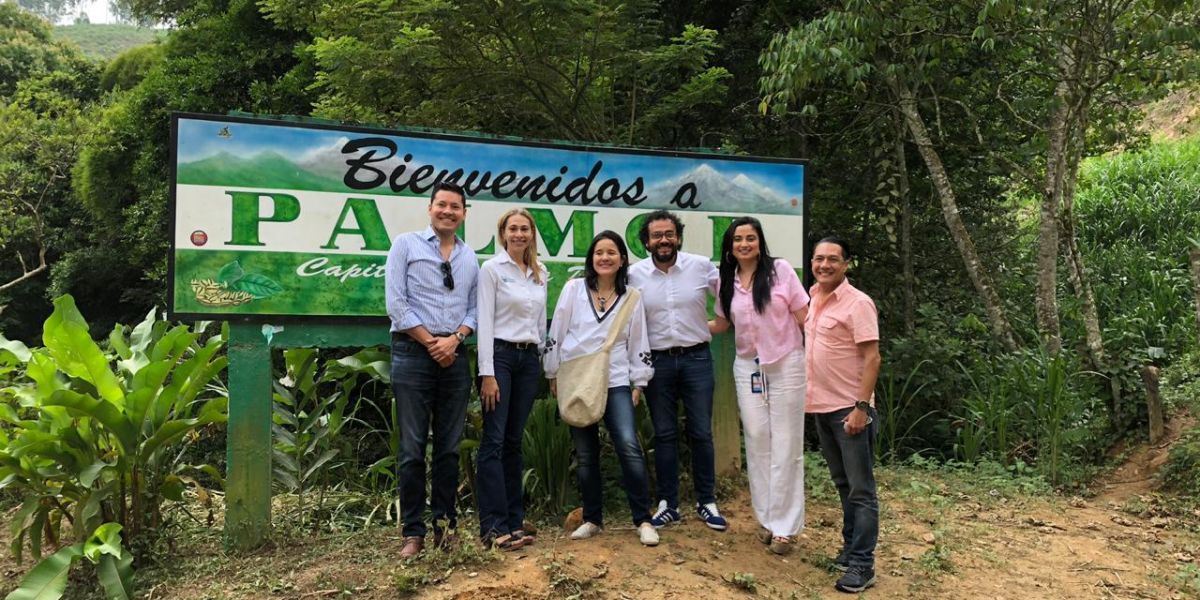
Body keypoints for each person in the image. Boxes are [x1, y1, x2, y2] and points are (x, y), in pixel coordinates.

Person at [544, 230, 659, 546]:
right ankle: (593, 518)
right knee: (585, 454)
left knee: (628, 445)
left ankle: (643, 519)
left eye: (612, 252)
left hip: (617, 380)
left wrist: (640, 381)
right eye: (599, 252)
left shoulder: (631, 297)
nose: (604, 258)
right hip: (577, 379)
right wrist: (553, 373)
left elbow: (639, 341)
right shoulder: (573, 290)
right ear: (591, 258)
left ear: (622, 259)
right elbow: (558, 331)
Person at [385, 181, 479, 559]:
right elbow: (396, 304)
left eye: (455, 207)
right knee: (411, 449)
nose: (448, 211)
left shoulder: (470, 256)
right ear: (430, 208)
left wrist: (454, 340)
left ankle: (445, 527)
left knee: (448, 449)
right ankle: (413, 532)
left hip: (454, 356)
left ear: (463, 213)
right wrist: (431, 343)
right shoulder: (404, 245)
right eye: (442, 205)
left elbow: (474, 310)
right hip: (412, 353)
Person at [709, 216, 809, 556]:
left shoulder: (780, 270)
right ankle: (766, 519)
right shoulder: (726, 280)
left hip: (786, 363)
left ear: (759, 241)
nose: (744, 244)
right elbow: (722, 323)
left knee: (786, 442)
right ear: (730, 245)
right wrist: (676, 325)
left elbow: (804, 315)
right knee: (756, 439)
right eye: (738, 239)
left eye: (750, 238)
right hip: (748, 367)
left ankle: (786, 528)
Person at [628, 210, 727, 531]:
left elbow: (730, 303)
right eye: (656, 235)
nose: (664, 240)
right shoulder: (634, 275)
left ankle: (706, 500)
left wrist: (708, 326)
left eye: (669, 234)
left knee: (700, 432)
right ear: (646, 241)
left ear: (678, 237)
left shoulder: (701, 267)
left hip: (697, 359)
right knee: (665, 434)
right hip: (656, 363)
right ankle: (668, 504)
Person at [804, 236, 881, 594]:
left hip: (849, 410)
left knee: (862, 490)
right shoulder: (814, 296)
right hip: (821, 406)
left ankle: (862, 565)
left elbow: (872, 358)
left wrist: (861, 408)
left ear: (846, 263)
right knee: (843, 484)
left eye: (833, 259)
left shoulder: (858, 303)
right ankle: (850, 549)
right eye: (819, 259)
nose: (824, 265)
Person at [475, 208, 548, 551]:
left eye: (525, 229)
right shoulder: (492, 270)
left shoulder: (539, 272)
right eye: (513, 229)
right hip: (501, 358)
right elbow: (485, 323)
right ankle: (492, 527)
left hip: (528, 360)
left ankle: (514, 522)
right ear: (503, 233)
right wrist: (487, 373)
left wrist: (548, 366)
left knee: (514, 441)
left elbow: (542, 325)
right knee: (494, 441)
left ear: (532, 234)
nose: (519, 234)